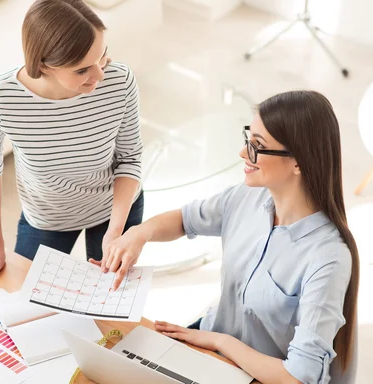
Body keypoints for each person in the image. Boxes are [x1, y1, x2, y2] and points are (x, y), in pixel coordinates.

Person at [97, 91, 359, 383]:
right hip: (207, 347)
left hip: (252, 372)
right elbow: (185, 220)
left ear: (299, 162)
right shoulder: (248, 196)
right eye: (249, 139)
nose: (244, 154)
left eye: (258, 146)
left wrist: (221, 342)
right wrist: (138, 234)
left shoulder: (328, 257)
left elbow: (299, 377)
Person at [0, 0, 143, 290]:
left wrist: (116, 231)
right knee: (25, 299)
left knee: (107, 307)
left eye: (102, 56)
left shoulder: (119, 81)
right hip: (46, 216)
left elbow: (130, 158)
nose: (100, 75)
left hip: (115, 211)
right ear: (43, 65)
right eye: (82, 69)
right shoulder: (2, 97)